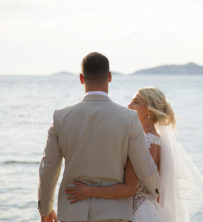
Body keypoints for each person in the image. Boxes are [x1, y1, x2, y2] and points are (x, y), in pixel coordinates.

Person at [38, 52, 160, 222]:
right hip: (114, 214)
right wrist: (157, 192)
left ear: (81, 78)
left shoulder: (60, 117)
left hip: (73, 213)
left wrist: (45, 209)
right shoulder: (128, 119)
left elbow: (48, 168)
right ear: (109, 77)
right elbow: (145, 167)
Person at [65, 87, 203, 222]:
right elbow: (160, 192)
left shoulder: (142, 143)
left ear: (149, 111)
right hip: (153, 212)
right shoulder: (161, 143)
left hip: (139, 213)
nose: (129, 105)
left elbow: (129, 189)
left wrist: (88, 191)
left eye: (135, 102)